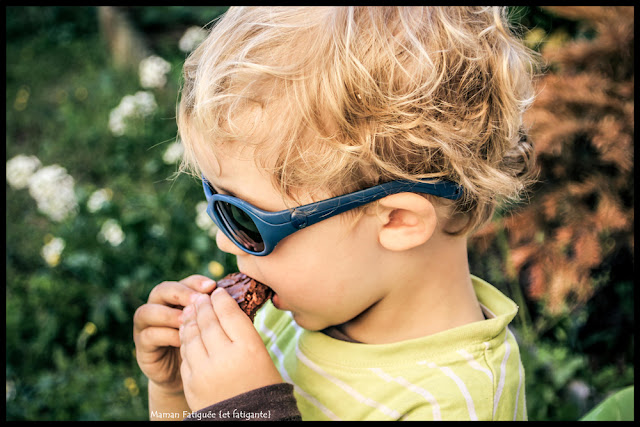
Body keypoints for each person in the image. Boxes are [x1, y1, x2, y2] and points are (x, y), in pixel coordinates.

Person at [133, 6, 539, 421]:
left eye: (247, 217)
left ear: (398, 220)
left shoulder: (456, 403)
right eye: (215, 200)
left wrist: (247, 411)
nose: (223, 238)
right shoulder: (292, 310)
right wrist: (177, 394)